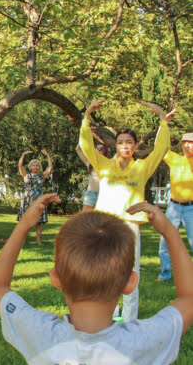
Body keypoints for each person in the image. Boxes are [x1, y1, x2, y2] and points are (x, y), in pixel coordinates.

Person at [0, 194, 193, 364]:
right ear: (131, 282)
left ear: (56, 278)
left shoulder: (40, 334)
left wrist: (23, 226)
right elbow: (189, 298)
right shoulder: (143, 341)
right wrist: (168, 230)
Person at [79, 99, 172, 322]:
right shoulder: (104, 165)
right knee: (104, 272)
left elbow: (161, 149)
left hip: (130, 227)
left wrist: (162, 120)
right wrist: (87, 116)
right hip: (106, 226)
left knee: (131, 274)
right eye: (120, 142)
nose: (124, 146)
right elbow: (86, 146)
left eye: (129, 142)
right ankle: (109, 313)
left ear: (136, 145)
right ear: (116, 145)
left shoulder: (141, 168)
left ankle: (130, 321)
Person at [157, 132, 193, 282]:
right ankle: (165, 275)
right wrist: (162, 125)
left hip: (191, 208)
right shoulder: (175, 159)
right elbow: (159, 146)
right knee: (165, 241)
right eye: (184, 142)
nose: (186, 145)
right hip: (173, 207)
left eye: (190, 142)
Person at [17, 149, 53, 245]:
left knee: (38, 221)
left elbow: (50, 167)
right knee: (24, 220)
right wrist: (23, 154)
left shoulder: (42, 175)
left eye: (37, 165)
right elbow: (20, 166)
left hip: (39, 200)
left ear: (39, 167)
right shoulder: (26, 175)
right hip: (27, 199)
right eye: (33, 165)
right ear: (30, 166)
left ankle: (38, 240)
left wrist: (48, 155)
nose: (35, 167)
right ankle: (22, 240)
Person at [75, 142, 108, 211]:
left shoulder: (110, 163)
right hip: (91, 194)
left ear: (105, 151)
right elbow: (78, 149)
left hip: (104, 195)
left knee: (101, 219)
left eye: (101, 148)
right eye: (97, 148)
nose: (98, 150)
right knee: (85, 219)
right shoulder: (90, 163)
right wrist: (84, 135)